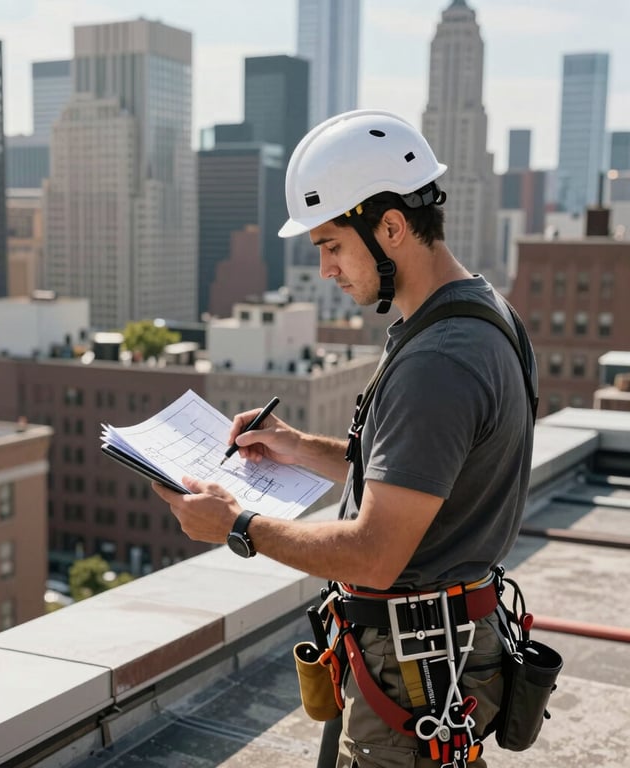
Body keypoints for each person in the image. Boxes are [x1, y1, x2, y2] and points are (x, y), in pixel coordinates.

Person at [153, 109, 537, 768]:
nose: (326, 269)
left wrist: (236, 525)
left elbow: (375, 553)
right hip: (438, 655)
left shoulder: (439, 359)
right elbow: (416, 476)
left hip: (416, 678)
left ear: (390, 226)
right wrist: (297, 445)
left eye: (331, 244)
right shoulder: (478, 312)